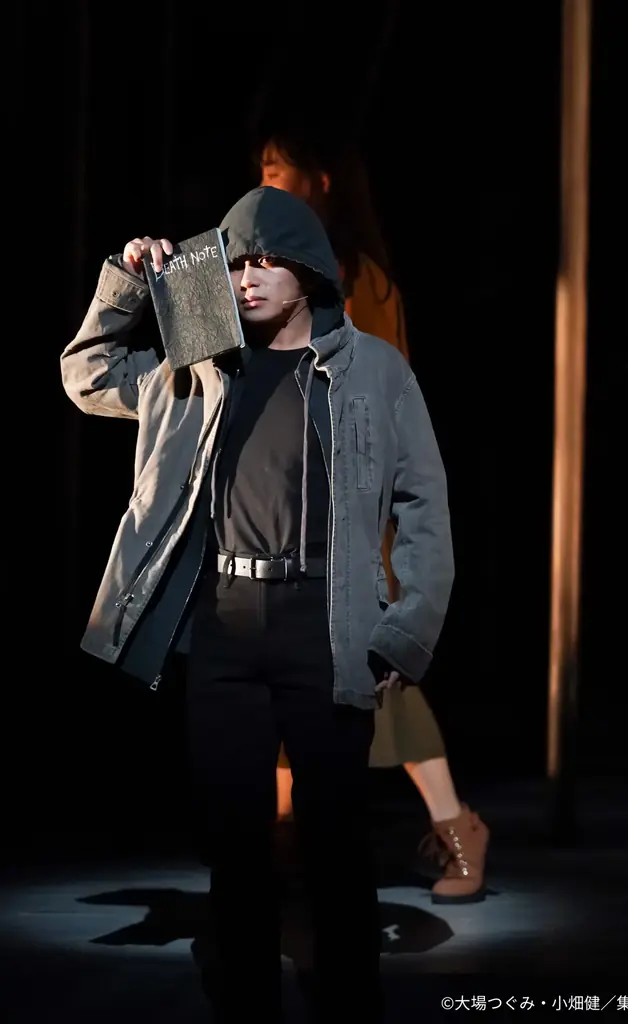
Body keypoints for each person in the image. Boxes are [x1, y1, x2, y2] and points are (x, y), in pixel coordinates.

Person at [60, 185, 454, 1023]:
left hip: (328, 623)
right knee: (235, 846)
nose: (247, 277)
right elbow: (87, 376)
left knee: (335, 842)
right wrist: (127, 283)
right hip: (226, 627)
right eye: (235, 263)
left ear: (308, 271)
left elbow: (423, 503)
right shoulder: (199, 363)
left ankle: (349, 1004)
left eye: (268, 262)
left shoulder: (373, 368)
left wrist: (404, 631)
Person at [255, 132, 490, 902]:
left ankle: (455, 826)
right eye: (260, 169)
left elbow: (372, 398)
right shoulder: (280, 273)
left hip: (344, 508)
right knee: (285, 670)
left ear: (318, 180)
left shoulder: (353, 277)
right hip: (284, 506)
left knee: (374, 670)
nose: (265, 178)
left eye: (277, 167)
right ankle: (281, 843)